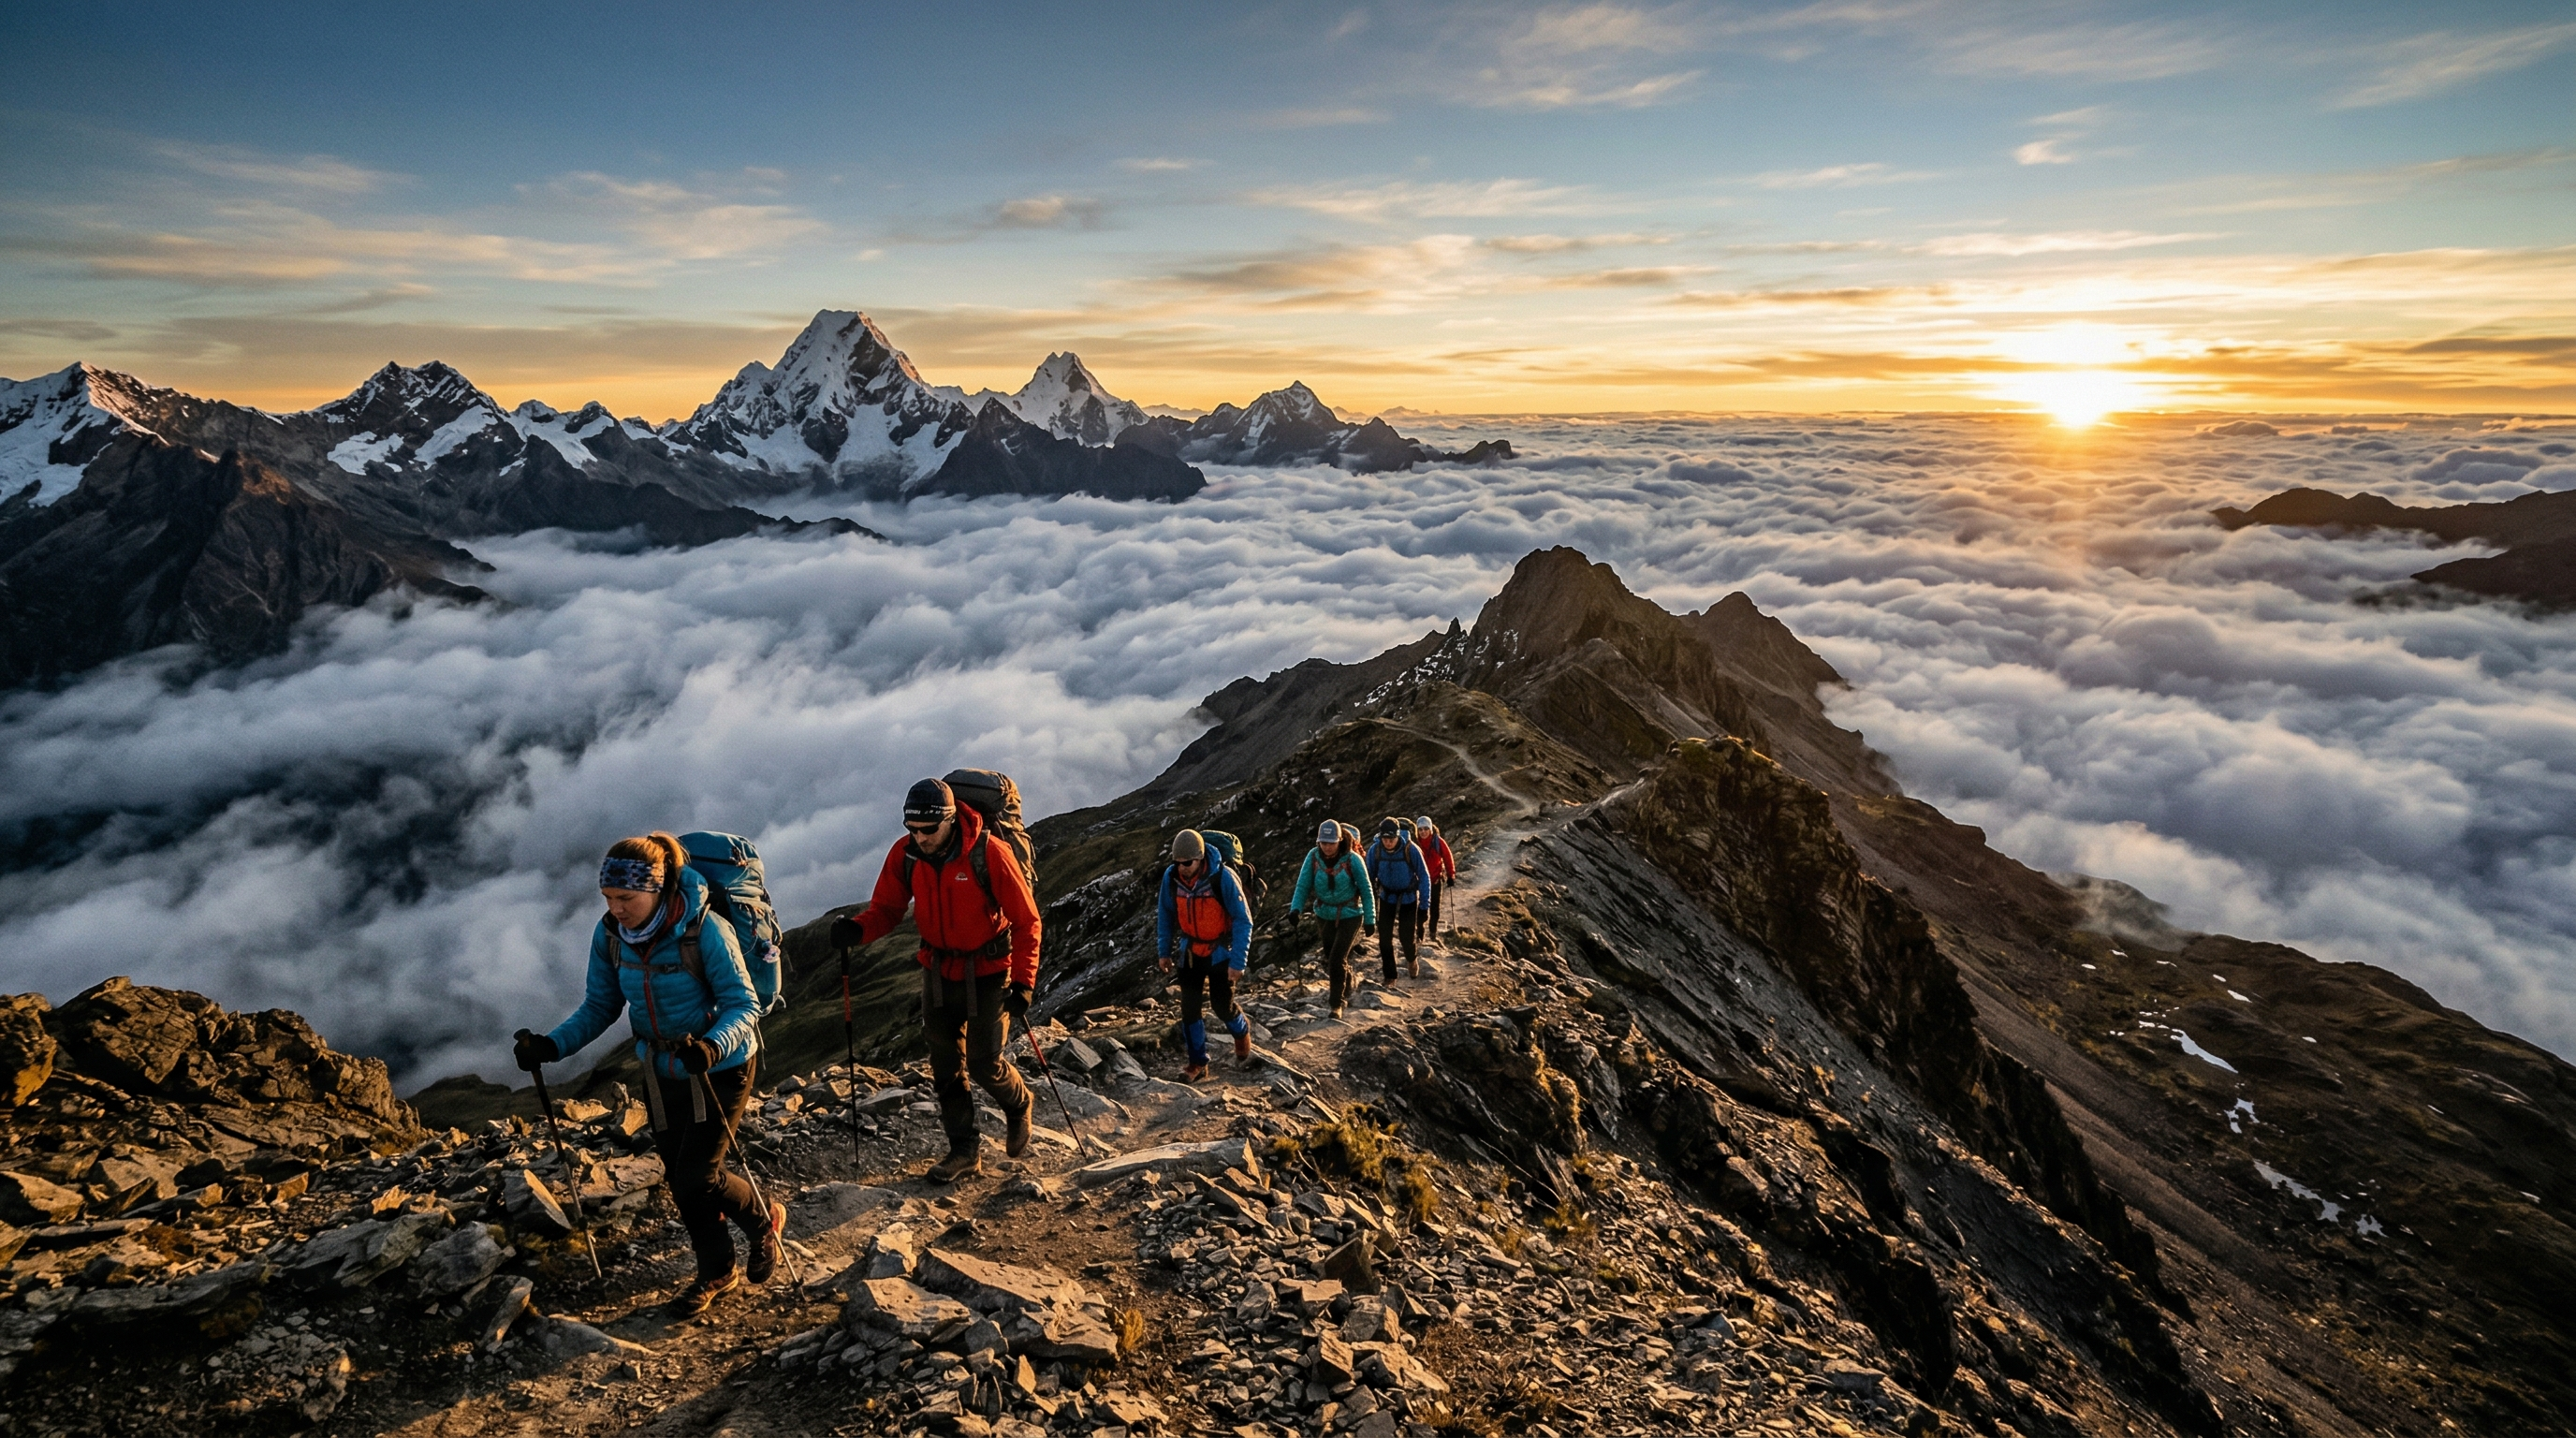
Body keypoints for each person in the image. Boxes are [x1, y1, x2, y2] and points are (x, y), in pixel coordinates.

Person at [514, 832, 779, 1316]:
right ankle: (722, 1266)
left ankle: (756, 1231)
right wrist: (551, 1046)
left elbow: (744, 1004)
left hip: (721, 1067)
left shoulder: (706, 929)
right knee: (682, 1179)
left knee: (697, 1175)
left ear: (657, 889)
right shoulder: (611, 937)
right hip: (660, 1069)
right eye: (608, 898)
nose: (615, 909)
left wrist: (712, 1045)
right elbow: (600, 1006)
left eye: (625, 898)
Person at [828, 778, 1040, 1183]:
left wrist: (1023, 982)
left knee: (984, 1063)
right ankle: (964, 1152)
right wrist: (857, 930)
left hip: (990, 970)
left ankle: (1018, 1103)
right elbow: (887, 909)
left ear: (950, 819)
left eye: (928, 829)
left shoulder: (989, 853)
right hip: (938, 970)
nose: (920, 838)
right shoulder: (906, 854)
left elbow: (1026, 920)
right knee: (945, 1068)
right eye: (912, 829)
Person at [1156, 829, 1253, 1081]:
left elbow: (1243, 920)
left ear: (1200, 858)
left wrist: (1238, 961)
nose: (1182, 867)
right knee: (1190, 1009)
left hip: (1220, 952)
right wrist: (1163, 951)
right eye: (1178, 862)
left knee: (1222, 1006)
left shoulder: (1223, 877)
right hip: (1189, 952)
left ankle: (1242, 1031)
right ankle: (1197, 1063)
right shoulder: (1171, 877)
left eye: (1187, 863)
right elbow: (1166, 914)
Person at [1290, 819, 1375, 1017]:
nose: (1327, 847)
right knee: (1330, 957)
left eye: (1331, 843)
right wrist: (1295, 909)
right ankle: (1347, 981)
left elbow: (1366, 889)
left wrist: (1370, 919)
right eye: (1323, 843)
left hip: (1351, 914)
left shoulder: (1353, 859)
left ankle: (1336, 1004)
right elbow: (1303, 885)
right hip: (1324, 914)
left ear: (1339, 841)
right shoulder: (1313, 857)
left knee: (1336, 959)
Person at [1365, 817, 1431, 982]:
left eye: (1391, 839)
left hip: (1408, 898)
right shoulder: (1375, 850)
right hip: (1386, 897)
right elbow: (1368, 877)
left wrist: (1424, 906)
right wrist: (1367, 904)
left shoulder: (1410, 849)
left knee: (1406, 938)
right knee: (1384, 940)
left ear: (1398, 835)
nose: (1388, 842)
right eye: (1385, 839)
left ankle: (1411, 959)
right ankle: (1390, 976)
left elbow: (1424, 876)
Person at [1415, 815, 1456, 946]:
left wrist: (1451, 875)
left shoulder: (1438, 842)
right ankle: (1419, 934)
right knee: (1420, 909)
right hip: (1420, 882)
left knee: (1435, 909)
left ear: (1431, 829)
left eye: (1426, 829)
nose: (1423, 832)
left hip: (1435, 880)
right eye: (1420, 829)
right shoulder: (1415, 843)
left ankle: (1432, 933)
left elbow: (1448, 858)